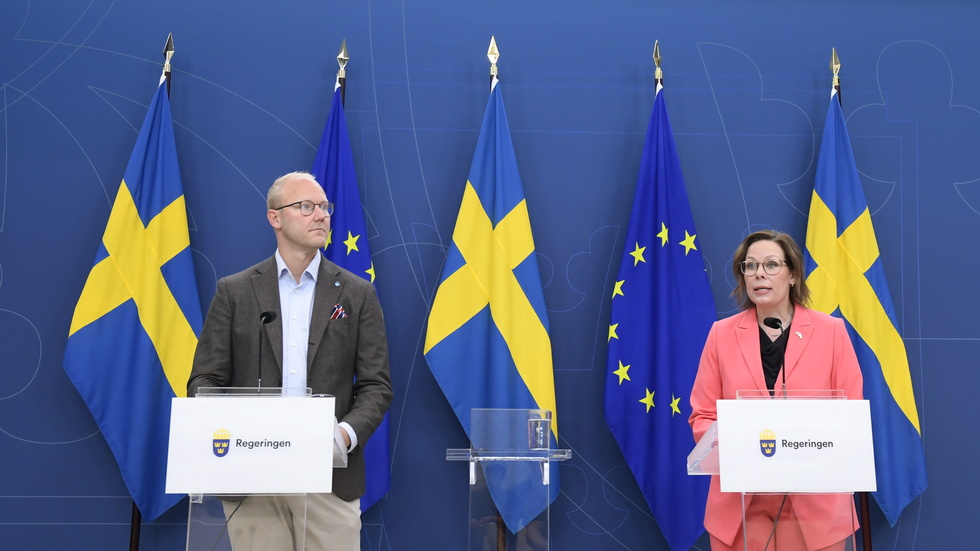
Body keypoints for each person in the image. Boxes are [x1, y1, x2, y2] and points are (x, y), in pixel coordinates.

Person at [188, 171, 393, 551]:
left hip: (329, 478)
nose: (321, 216)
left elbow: (375, 386)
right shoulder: (235, 292)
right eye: (306, 206)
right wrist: (233, 431)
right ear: (275, 217)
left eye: (325, 208)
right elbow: (205, 381)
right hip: (252, 477)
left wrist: (342, 437)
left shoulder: (357, 293)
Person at [689, 230, 864, 551]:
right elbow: (703, 415)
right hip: (742, 505)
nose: (759, 274)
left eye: (771, 265)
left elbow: (850, 413)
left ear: (793, 274)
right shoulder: (721, 335)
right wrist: (734, 445)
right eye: (749, 266)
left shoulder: (832, 332)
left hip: (816, 505)